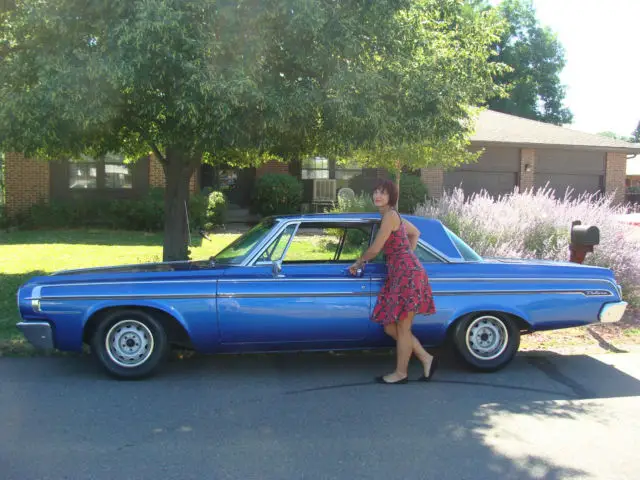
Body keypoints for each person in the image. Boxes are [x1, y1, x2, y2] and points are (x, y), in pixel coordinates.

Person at [349, 179, 437, 384]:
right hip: (400, 274)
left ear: (391, 197)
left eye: (383, 193)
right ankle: (426, 357)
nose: (377, 196)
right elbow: (415, 233)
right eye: (376, 192)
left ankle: (401, 373)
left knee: (403, 327)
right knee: (390, 326)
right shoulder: (392, 216)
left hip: (407, 275)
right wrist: (404, 255)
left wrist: (358, 263)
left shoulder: (390, 216)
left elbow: (375, 249)